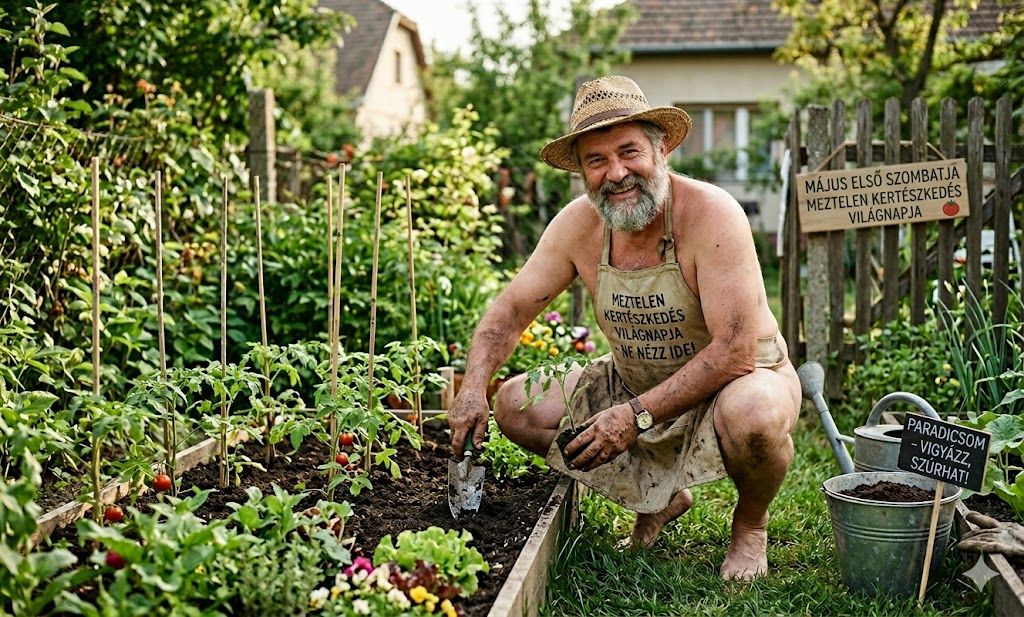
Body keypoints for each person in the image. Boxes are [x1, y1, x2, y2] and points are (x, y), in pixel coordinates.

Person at [447, 75, 801, 581]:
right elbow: (509, 312)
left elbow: (734, 352)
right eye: (596, 160)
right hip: (635, 379)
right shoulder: (579, 226)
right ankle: (658, 498)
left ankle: (750, 526)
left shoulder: (711, 214)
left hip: (737, 378)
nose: (616, 173)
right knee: (516, 406)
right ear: (583, 173)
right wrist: (473, 386)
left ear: (661, 149)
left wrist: (631, 418)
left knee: (756, 417)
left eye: (628, 151)